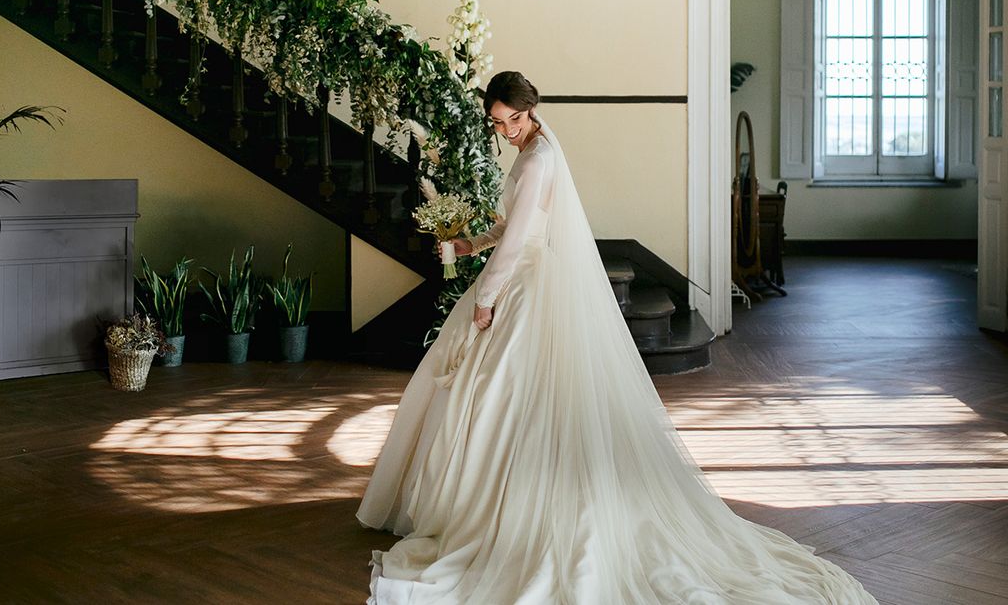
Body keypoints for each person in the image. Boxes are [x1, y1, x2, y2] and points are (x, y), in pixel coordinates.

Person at [356, 71, 877, 605]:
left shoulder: (538, 158)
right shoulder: (536, 148)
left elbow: (517, 243)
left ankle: (502, 507)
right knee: (496, 395)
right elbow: (515, 226)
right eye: (497, 123)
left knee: (502, 394)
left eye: (513, 119)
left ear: (531, 110)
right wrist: (470, 246)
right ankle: (478, 501)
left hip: (524, 284)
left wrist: (486, 298)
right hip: (525, 272)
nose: (507, 130)